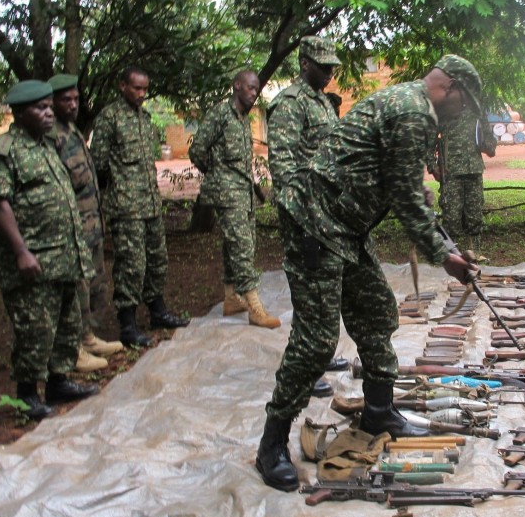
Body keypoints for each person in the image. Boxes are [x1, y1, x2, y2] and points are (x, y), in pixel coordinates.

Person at [256, 55, 483, 492]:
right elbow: (403, 195)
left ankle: (380, 412)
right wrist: (446, 257)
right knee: (317, 340)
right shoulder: (414, 111)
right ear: (450, 88)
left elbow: (408, 189)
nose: (461, 115)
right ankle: (271, 443)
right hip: (315, 222)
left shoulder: (409, 105)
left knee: (377, 313)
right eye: (464, 105)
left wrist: (445, 240)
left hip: (347, 227)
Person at [0, 80, 100, 420]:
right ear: (19, 113)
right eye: (40, 108)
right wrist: (21, 252)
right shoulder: (3, 150)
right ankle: (27, 395)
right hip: (34, 257)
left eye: (50, 106)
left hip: (64, 255)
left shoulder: (46, 146)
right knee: (35, 328)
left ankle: (58, 382)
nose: (49, 113)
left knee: (67, 322)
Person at [266, 36, 349, 399]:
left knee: (323, 292)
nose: (330, 72)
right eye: (324, 66)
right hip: (306, 217)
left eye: (333, 66)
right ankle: (303, 367)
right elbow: (283, 171)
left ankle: (317, 354)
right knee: (308, 292)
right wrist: (305, 221)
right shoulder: (289, 104)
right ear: (304, 64)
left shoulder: (322, 103)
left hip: (328, 214)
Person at [91, 66, 189, 347]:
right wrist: (120, 188)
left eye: (145, 89)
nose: (142, 94)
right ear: (122, 86)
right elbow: (98, 162)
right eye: (137, 88)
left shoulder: (145, 119)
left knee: (157, 259)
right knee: (131, 265)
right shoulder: (109, 118)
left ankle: (157, 311)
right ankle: (128, 324)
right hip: (126, 207)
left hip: (150, 203)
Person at [188, 70, 280, 328]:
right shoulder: (220, 114)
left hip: (243, 193)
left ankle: (231, 299)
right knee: (241, 247)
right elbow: (197, 150)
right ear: (237, 86)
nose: (254, 93)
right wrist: (216, 174)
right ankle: (254, 308)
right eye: (250, 88)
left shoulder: (242, 119)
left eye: (256, 89)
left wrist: (256, 188)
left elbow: (241, 162)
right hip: (227, 195)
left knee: (237, 245)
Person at [48, 74, 124, 372]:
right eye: (66, 99)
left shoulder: (73, 131)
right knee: (76, 290)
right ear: (52, 102)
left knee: (94, 284)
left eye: (76, 98)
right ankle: (74, 348)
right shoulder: (50, 135)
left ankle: (89, 336)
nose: (73, 104)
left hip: (91, 224)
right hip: (72, 228)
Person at [432, 111, 496, 253]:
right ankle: (448, 254)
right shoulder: (444, 111)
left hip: (474, 170)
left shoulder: (477, 111)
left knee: (475, 214)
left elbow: (489, 138)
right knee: (450, 216)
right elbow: (429, 140)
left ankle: (476, 253)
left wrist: (489, 147)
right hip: (450, 172)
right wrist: (433, 167)